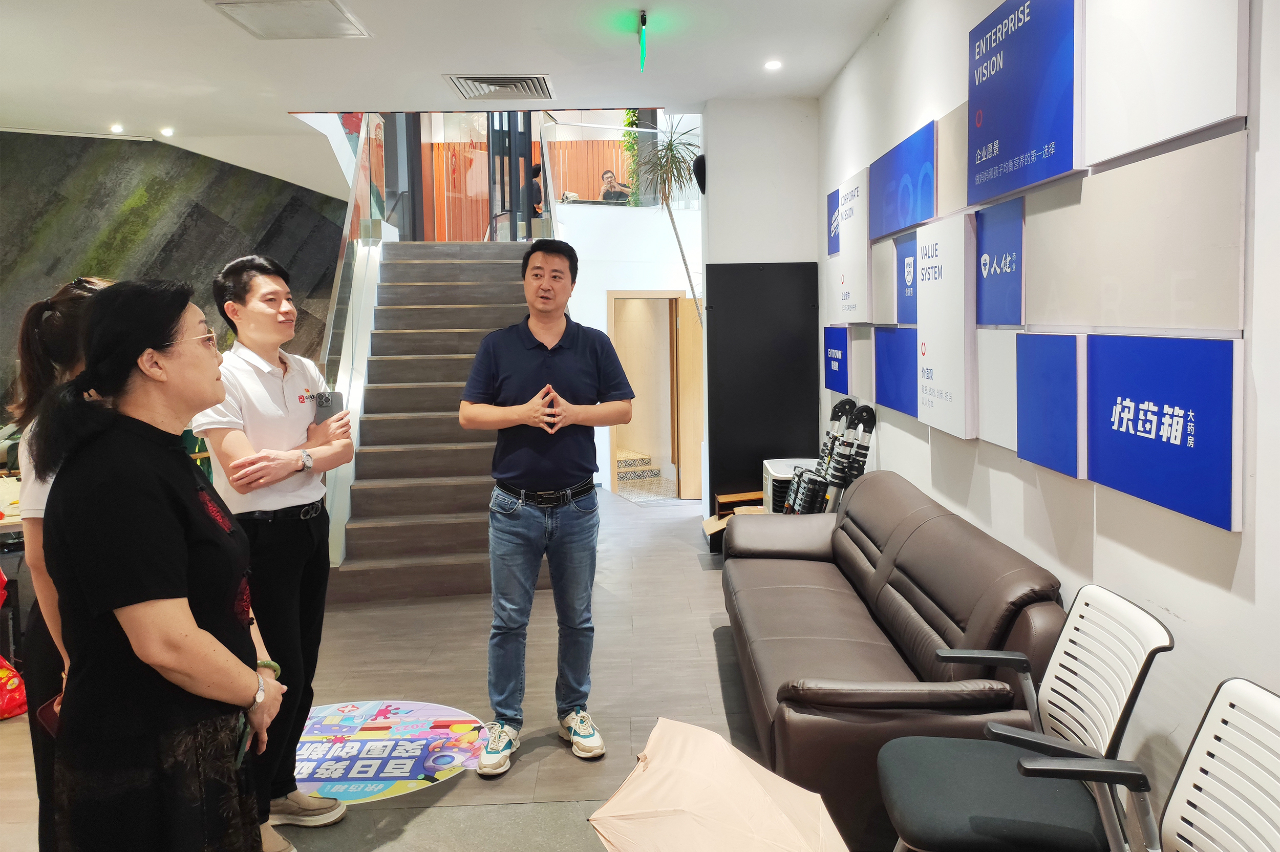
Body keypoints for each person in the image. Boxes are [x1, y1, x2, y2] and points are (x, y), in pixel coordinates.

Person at [31, 280, 286, 852]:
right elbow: (163, 643)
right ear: (153, 363)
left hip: (196, 738)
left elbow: (222, 586)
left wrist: (260, 669)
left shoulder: (163, 451)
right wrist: (254, 691)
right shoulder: (116, 475)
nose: (219, 353)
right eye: (205, 339)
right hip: (144, 754)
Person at [193, 255, 353, 852]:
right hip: (258, 537)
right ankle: (253, 808)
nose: (288, 308)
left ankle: (280, 787)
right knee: (276, 672)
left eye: (288, 297)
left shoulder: (306, 366)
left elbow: (343, 448)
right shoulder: (224, 376)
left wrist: (293, 458)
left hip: (311, 525)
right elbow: (242, 470)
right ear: (233, 311)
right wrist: (310, 450)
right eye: (271, 300)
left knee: (304, 669)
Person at [459, 238, 634, 776]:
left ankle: (573, 711)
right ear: (524, 281)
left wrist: (576, 413)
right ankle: (505, 722)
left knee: (577, 618)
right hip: (513, 508)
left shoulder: (594, 344)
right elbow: (469, 413)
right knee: (508, 621)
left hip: (578, 506)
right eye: (537, 273)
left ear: (571, 285)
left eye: (557, 275)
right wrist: (523, 414)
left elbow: (623, 408)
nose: (545, 283)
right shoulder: (498, 345)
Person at [9, 277, 111, 851]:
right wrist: (73, 657)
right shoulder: (55, 427)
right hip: (68, 629)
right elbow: (40, 558)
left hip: (98, 626)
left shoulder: (104, 415)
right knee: (73, 797)